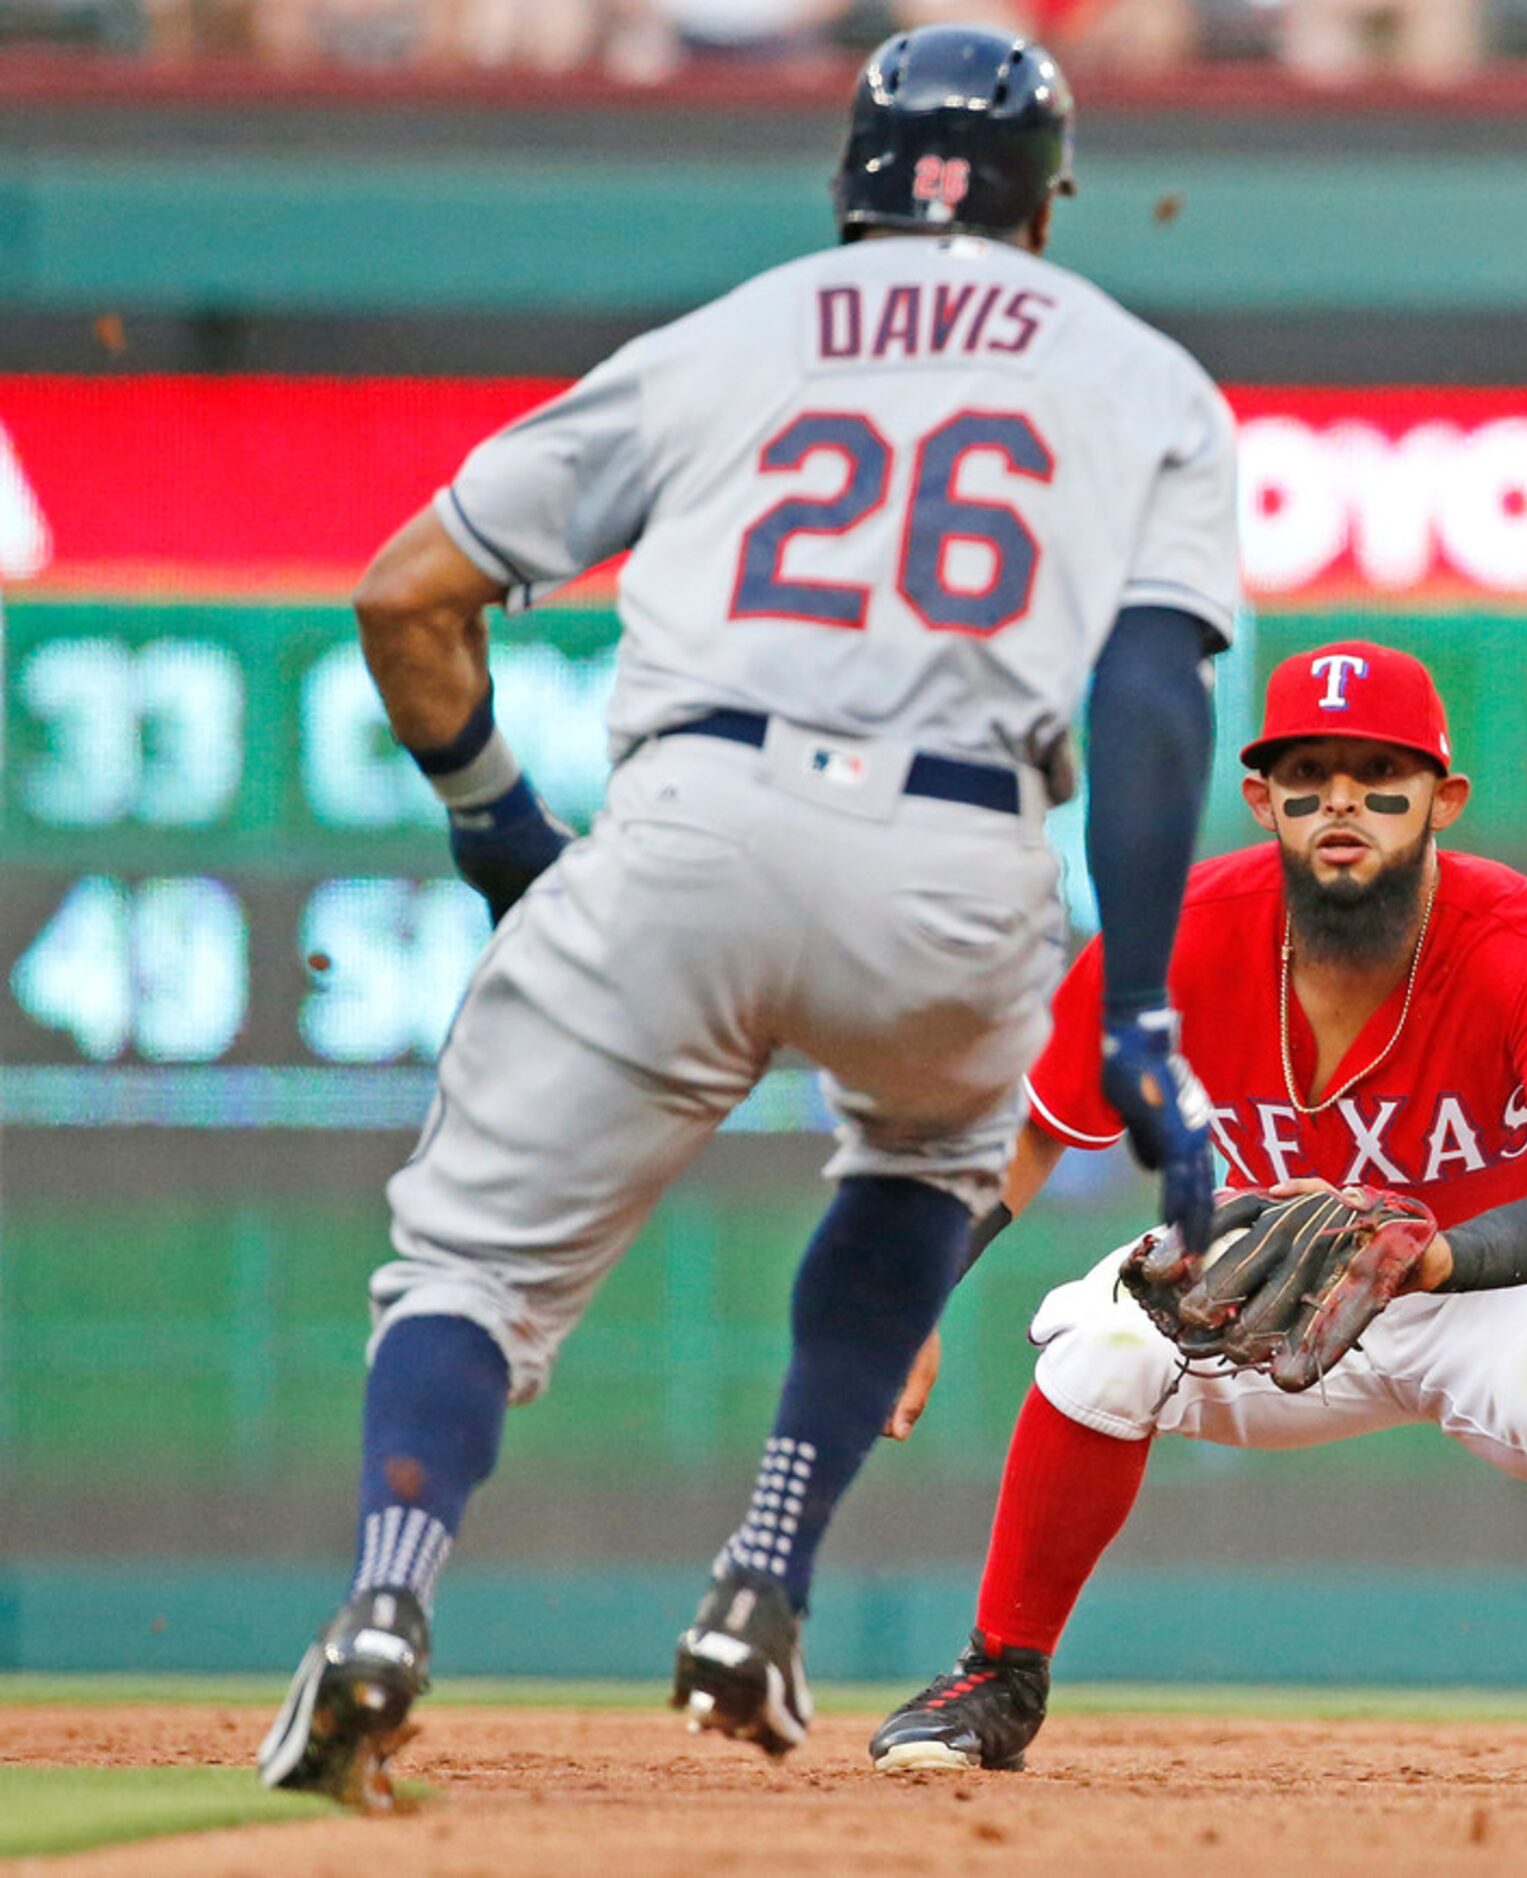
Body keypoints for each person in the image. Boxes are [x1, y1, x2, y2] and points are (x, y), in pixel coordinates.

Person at [256, 23, 1235, 1806]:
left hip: (691, 814)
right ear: (1043, 201)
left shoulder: (730, 334)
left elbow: (408, 594)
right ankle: (766, 1575)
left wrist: (502, 836)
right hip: (959, 853)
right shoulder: (1143, 374)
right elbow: (1152, 694)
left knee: (469, 1265)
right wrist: (1143, 1010)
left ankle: (385, 1610)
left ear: (853, 175)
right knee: (930, 1159)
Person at [870, 639, 1527, 1779]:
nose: (1342, 804)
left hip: (1506, 1279)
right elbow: (1021, 1130)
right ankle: (1000, 1672)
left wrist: (1438, 1260)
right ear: (1262, 800)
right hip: (1282, 1287)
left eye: (1380, 777)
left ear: (1443, 798)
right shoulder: (1175, 939)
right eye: (1307, 778)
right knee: (1098, 1346)